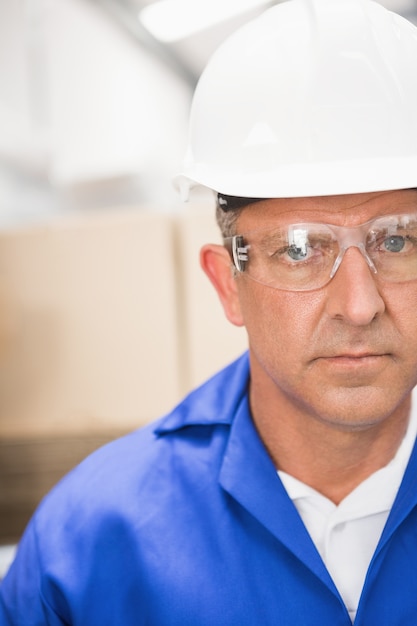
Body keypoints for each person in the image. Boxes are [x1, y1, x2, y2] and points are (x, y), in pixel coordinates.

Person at [2, 0, 417, 623]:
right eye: (300, 250)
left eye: (397, 240)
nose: (360, 307)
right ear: (227, 284)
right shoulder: (91, 546)